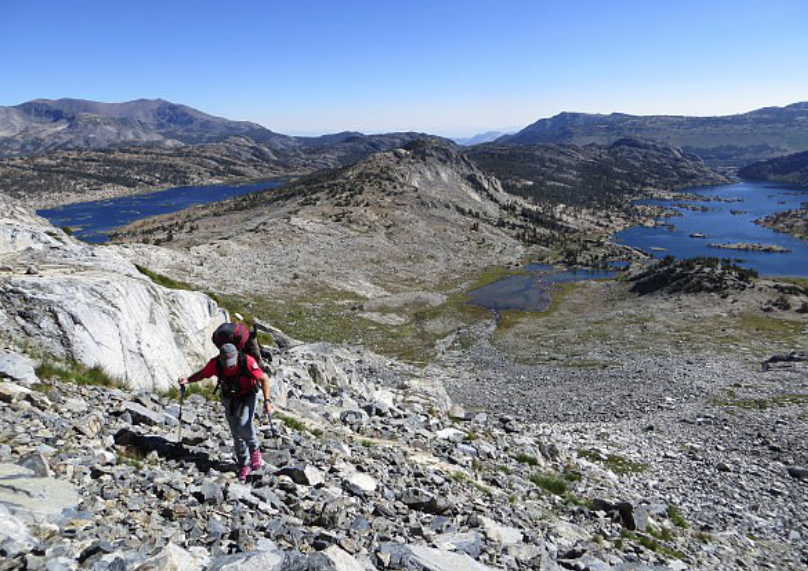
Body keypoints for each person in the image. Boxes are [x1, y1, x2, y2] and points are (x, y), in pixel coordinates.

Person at [179, 343, 272, 481]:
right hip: (229, 396)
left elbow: (264, 379)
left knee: (244, 423)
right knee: (235, 429)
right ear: (221, 358)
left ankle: (254, 450)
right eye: (227, 363)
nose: (230, 366)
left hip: (248, 395)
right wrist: (188, 380)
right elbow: (203, 374)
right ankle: (244, 464)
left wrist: (267, 401)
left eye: (232, 363)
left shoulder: (247, 361)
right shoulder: (215, 364)